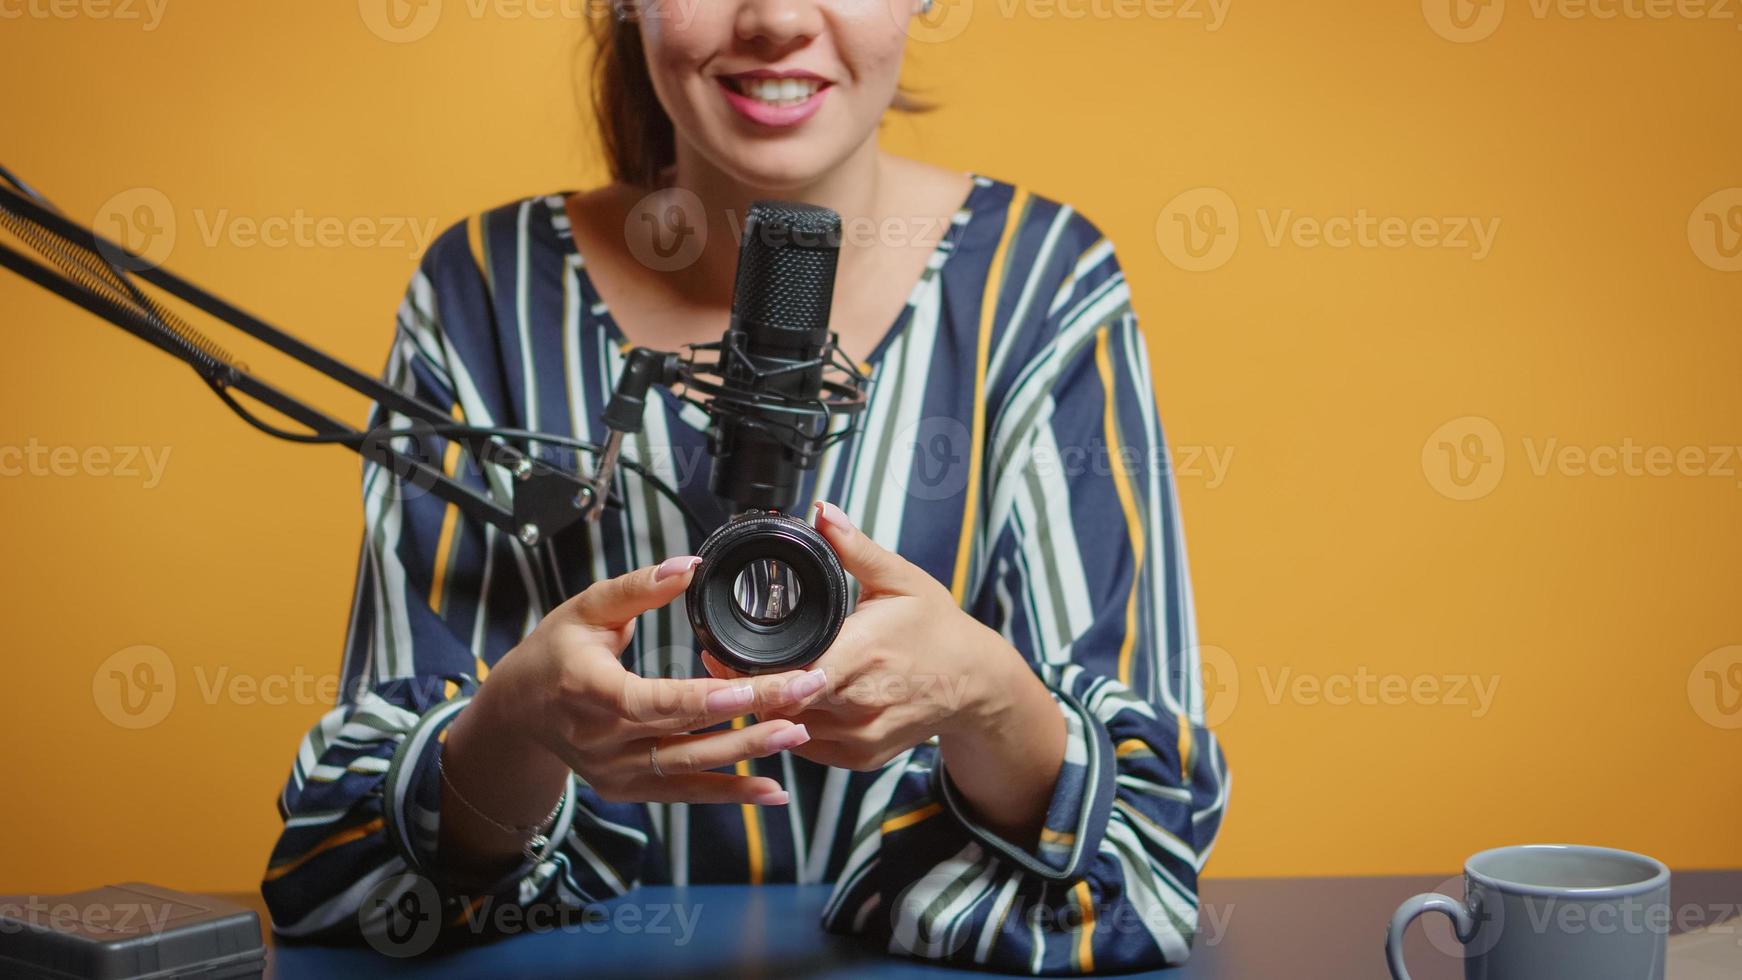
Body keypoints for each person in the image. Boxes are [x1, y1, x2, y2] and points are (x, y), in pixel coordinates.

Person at [260, 0, 1228, 972]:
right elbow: (358, 880)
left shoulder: (1040, 286)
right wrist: (512, 726)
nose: (771, 18)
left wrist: (985, 698)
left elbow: (1144, 862)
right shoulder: (480, 290)